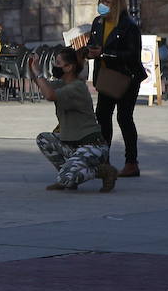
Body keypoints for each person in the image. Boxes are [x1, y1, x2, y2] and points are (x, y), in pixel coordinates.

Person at [30, 46, 117, 192]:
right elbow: (43, 86)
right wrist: (33, 67)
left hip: (92, 146)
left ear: (69, 67)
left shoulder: (77, 87)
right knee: (43, 139)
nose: (54, 66)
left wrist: (38, 72)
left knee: (64, 178)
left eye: (58, 63)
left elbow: (50, 95)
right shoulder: (63, 84)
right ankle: (69, 176)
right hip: (74, 144)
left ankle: (102, 171)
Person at [79, 0, 146, 177]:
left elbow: (132, 55)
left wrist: (105, 53)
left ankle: (131, 162)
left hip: (126, 77)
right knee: (102, 117)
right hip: (106, 77)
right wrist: (89, 52)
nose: (103, 5)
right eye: (102, 1)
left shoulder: (128, 26)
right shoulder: (98, 22)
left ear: (117, 5)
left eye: (108, 2)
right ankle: (104, 161)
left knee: (124, 118)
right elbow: (94, 44)